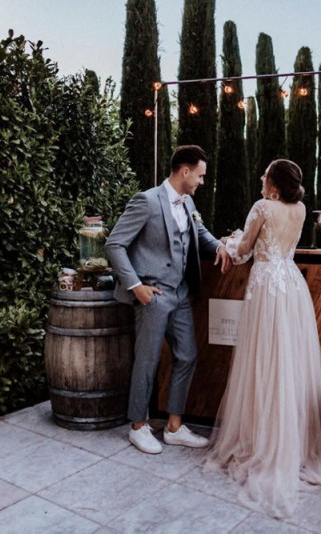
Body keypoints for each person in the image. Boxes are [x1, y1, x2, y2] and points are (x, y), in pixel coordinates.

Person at [206, 159, 321, 517]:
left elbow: (244, 250)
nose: (261, 177)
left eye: (266, 175)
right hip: (291, 286)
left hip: (266, 287)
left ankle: (261, 441)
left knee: (263, 361)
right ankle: (288, 442)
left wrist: (227, 241)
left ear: (275, 186)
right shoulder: (301, 209)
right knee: (288, 363)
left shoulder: (262, 206)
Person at [106, 145, 231, 454]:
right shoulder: (147, 201)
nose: (202, 182)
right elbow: (114, 244)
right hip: (154, 295)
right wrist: (136, 286)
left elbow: (199, 232)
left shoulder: (188, 202)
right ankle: (138, 427)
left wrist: (220, 246)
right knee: (147, 360)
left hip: (181, 293)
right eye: (200, 176)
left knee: (187, 356)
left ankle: (174, 427)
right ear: (185, 171)